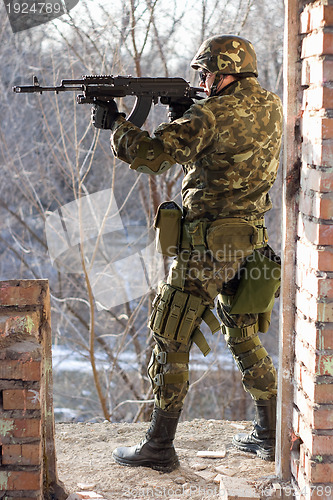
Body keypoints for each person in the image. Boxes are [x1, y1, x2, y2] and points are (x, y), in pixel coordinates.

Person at [91, 35, 283, 471]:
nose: (201, 78)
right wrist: (185, 114)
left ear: (225, 72)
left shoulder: (211, 114)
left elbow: (150, 156)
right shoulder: (271, 106)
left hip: (207, 246)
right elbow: (223, 155)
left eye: (206, 72)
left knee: (170, 332)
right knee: (242, 332)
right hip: (251, 240)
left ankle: (159, 446)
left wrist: (118, 122)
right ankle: (270, 433)